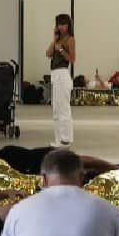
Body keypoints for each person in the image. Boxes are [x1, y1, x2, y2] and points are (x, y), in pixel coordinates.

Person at [45, 13, 76, 146]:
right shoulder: (56, 40)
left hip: (63, 74)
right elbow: (48, 54)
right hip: (54, 75)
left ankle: (66, 138)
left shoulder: (70, 40)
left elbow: (72, 59)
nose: (62, 27)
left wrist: (62, 50)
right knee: (56, 110)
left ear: (68, 25)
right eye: (59, 24)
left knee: (63, 108)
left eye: (64, 24)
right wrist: (54, 39)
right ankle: (59, 139)